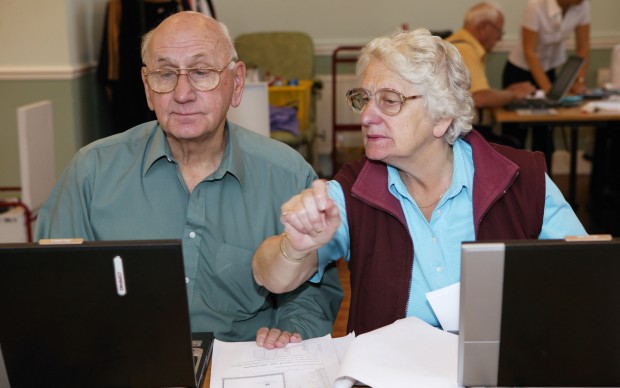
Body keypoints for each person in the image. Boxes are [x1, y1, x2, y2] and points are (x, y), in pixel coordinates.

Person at [252, 28, 587, 346]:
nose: (367, 116)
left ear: (442, 117)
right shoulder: (354, 190)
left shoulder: (519, 177)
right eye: (364, 99)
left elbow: (585, 277)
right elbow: (271, 277)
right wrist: (293, 248)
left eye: (390, 101)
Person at [35, 11, 342, 347]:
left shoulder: (286, 174)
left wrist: (290, 329)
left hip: (241, 365)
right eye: (165, 74)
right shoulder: (91, 172)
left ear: (236, 83)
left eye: (200, 72)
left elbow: (314, 291)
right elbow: (50, 288)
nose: (182, 93)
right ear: (148, 89)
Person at [502, 0, 590, 159]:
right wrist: (549, 90)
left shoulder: (582, 5)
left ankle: (544, 181)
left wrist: (579, 80)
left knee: (545, 136)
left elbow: (583, 47)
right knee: (516, 135)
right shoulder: (535, 5)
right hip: (520, 71)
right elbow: (530, 52)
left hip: (549, 69)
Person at [446, 2, 536, 145]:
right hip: (466, 135)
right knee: (514, 146)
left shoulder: (456, 44)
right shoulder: (465, 50)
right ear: (483, 27)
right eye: (499, 31)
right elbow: (480, 97)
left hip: (457, 132)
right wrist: (514, 94)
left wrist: (507, 92)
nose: (500, 38)